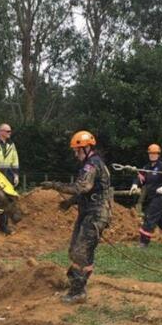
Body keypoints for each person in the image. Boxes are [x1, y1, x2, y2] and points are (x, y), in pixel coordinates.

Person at [40, 130, 111, 304]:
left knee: (81, 251)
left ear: (86, 148)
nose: (75, 153)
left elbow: (82, 187)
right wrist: (71, 202)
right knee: (76, 250)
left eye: (77, 150)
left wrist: (55, 185)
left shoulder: (92, 165)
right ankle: (76, 284)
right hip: (87, 211)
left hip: (96, 214)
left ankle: (78, 292)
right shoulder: (90, 163)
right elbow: (88, 191)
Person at [129, 143, 162, 247]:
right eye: (150, 153)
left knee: (149, 215)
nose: (152, 155)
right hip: (152, 197)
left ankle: (144, 241)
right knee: (161, 220)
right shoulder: (147, 167)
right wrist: (135, 184)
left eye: (154, 153)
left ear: (158, 154)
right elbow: (140, 178)